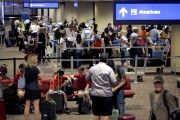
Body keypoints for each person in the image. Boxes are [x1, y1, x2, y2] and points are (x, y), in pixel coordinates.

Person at [85, 53, 117, 120]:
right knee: (106, 114)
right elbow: (114, 82)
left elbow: (86, 78)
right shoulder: (109, 69)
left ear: (99, 59)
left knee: (97, 114)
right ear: (107, 60)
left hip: (95, 94)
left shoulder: (92, 68)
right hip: (106, 94)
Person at [24, 53, 42, 120]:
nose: (37, 60)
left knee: (27, 106)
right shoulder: (35, 69)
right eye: (36, 59)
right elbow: (41, 77)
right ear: (33, 60)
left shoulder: (26, 69)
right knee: (36, 106)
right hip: (34, 88)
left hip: (27, 88)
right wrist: (40, 69)